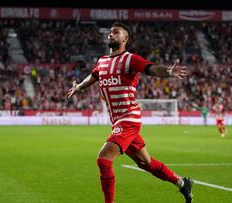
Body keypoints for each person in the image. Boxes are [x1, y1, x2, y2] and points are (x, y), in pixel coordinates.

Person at [67, 22, 193, 203]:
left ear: (125, 39)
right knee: (146, 163)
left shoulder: (130, 59)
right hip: (117, 121)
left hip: (129, 118)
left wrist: (168, 72)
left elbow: (151, 68)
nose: (111, 34)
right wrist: (78, 87)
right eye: (110, 32)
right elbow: (94, 76)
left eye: (116, 32)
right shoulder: (102, 61)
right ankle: (183, 183)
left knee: (104, 159)